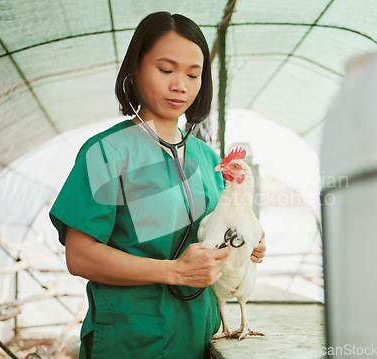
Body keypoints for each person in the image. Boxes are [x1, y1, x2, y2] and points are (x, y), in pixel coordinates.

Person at [49, 11, 266, 359]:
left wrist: (244, 243)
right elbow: (80, 256)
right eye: (166, 70)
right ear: (135, 71)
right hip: (132, 340)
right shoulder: (106, 153)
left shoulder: (208, 159)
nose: (180, 84)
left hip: (201, 334)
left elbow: (214, 234)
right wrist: (175, 271)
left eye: (193, 74)